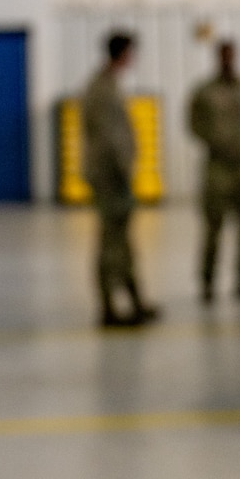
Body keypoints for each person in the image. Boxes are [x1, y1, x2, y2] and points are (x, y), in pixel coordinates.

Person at [81, 30, 159, 326]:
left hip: (114, 175)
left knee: (122, 242)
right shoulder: (102, 89)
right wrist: (124, 173)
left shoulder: (108, 84)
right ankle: (108, 308)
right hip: (109, 177)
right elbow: (108, 139)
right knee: (111, 243)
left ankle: (135, 301)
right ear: (123, 53)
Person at [188, 40, 240, 302]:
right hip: (218, 167)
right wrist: (215, 142)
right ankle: (208, 281)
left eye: (231, 55)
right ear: (217, 58)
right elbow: (194, 123)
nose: (228, 60)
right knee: (213, 227)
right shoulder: (204, 92)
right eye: (223, 56)